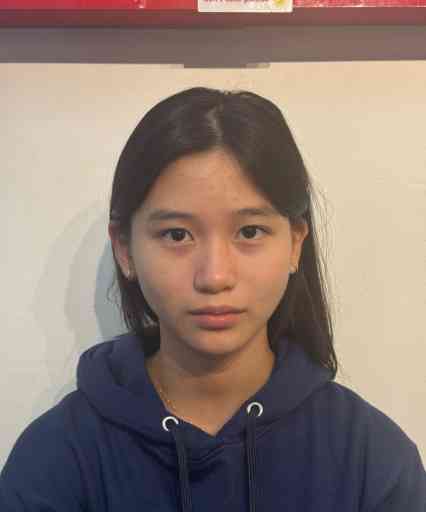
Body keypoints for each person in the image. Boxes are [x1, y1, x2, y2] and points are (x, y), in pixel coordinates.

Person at [0, 87, 425, 512]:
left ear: (296, 243)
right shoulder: (55, 462)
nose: (215, 276)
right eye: (177, 235)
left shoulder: (373, 461)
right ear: (125, 249)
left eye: (250, 232)